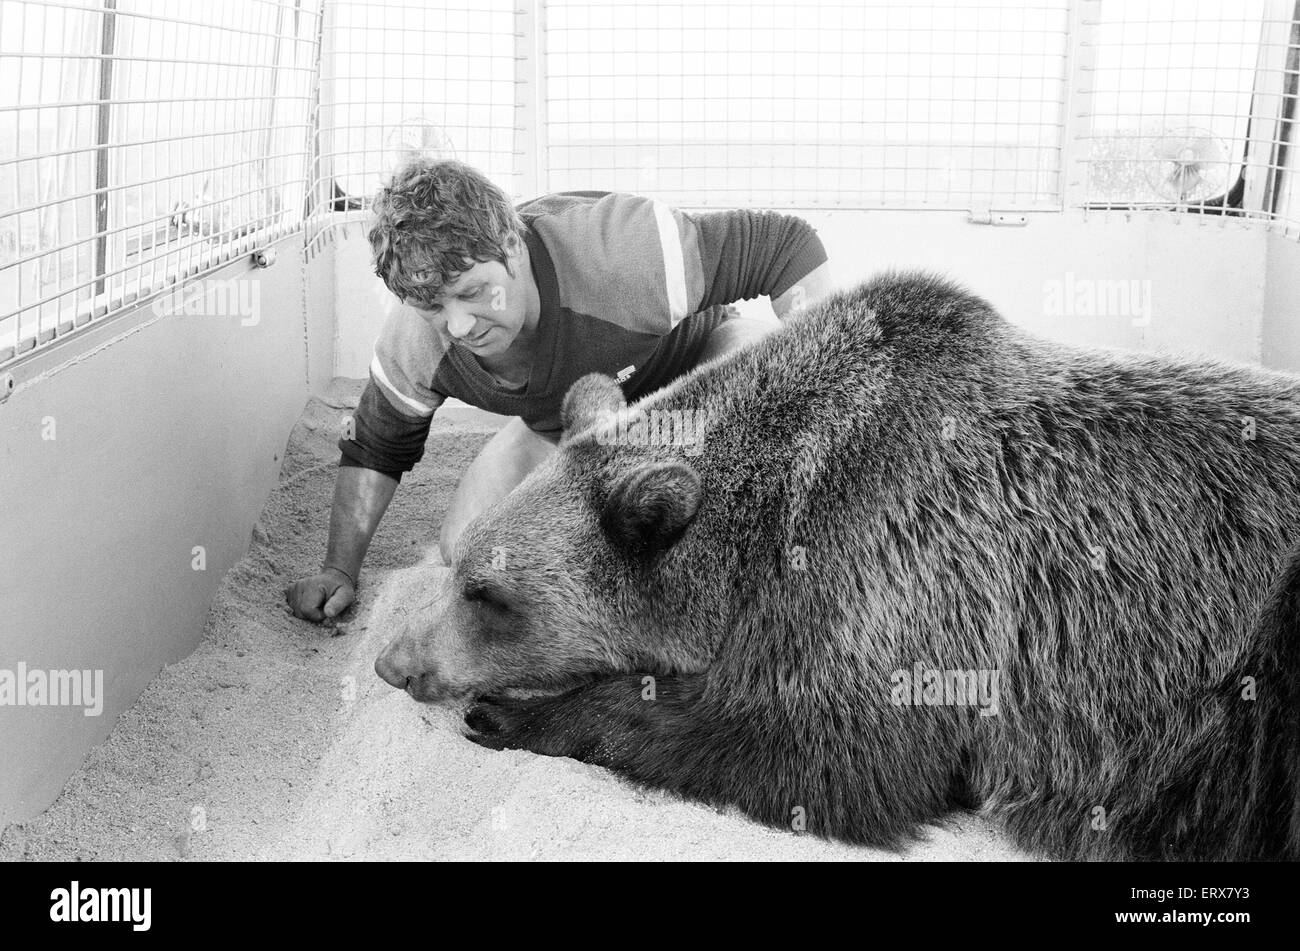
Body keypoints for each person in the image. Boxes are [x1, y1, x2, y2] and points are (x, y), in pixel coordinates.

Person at [286, 158, 833, 622]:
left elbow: (785, 247)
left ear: (512, 246)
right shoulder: (415, 337)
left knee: (743, 421)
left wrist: (829, 387)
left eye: (473, 293)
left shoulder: (623, 250)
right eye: (433, 306)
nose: (458, 326)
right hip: (569, 431)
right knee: (466, 548)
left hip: (700, 364)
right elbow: (375, 446)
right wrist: (339, 569)